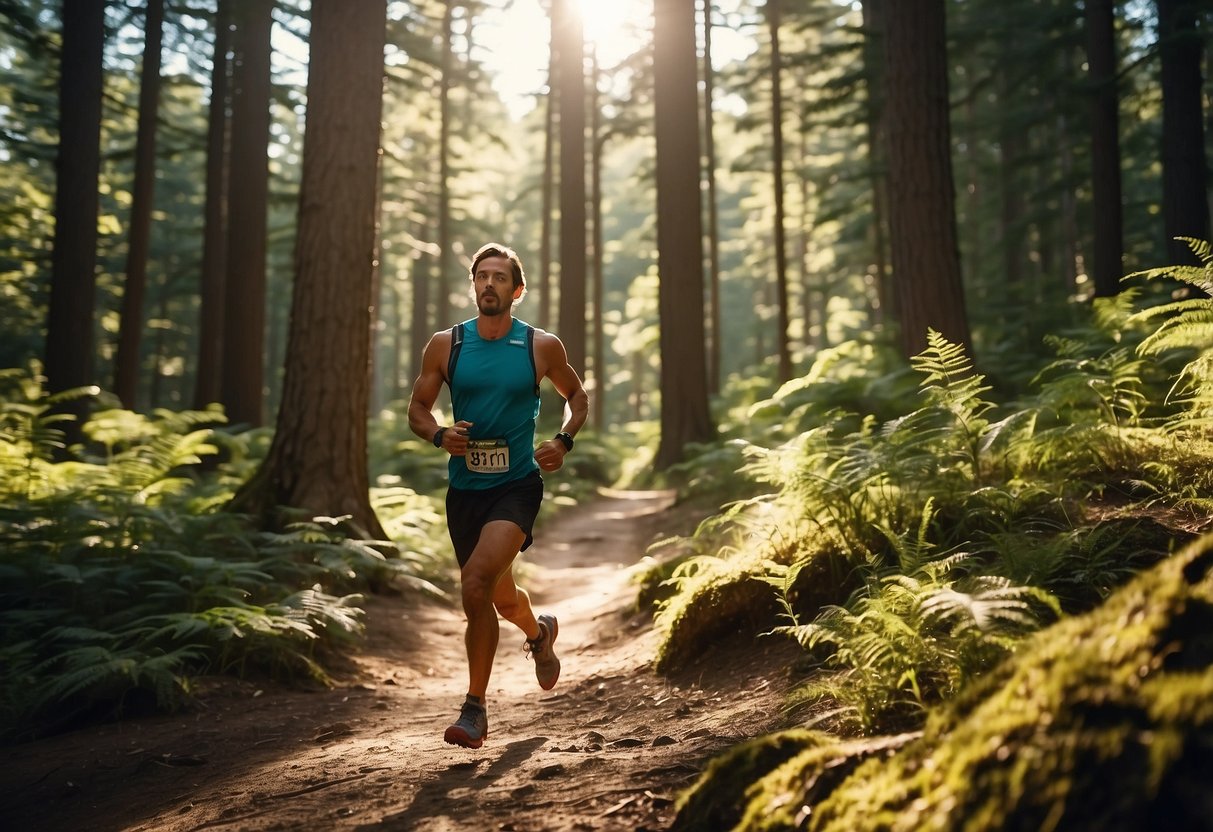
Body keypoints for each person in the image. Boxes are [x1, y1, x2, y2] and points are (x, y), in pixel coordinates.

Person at [408, 242, 589, 749]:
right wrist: (441, 435)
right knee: (499, 596)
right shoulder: (447, 345)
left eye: (499, 277)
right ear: (474, 284)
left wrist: (563, 440)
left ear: (517, 289)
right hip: (465, 490)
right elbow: (418, 408)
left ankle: (474, 710)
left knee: (475, 583)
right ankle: (539, 633)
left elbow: (576, 397)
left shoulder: (540, 346)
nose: (489, 284)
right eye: (481, 276)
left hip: (517, 486)